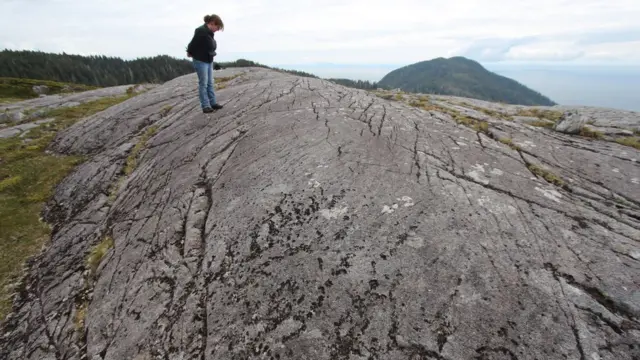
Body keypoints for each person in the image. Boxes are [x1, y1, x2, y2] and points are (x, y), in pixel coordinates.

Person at [187, 14, 224, 113]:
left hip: (208, 60)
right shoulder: (200, 30)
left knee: (210, 83)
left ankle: (213, 103)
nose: (217, 30)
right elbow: (193, 43)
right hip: (200, 60)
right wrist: (190, 51)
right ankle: (205, 106)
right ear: (212, 23)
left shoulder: (209, 32)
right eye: (217, 27)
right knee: (203, 83)